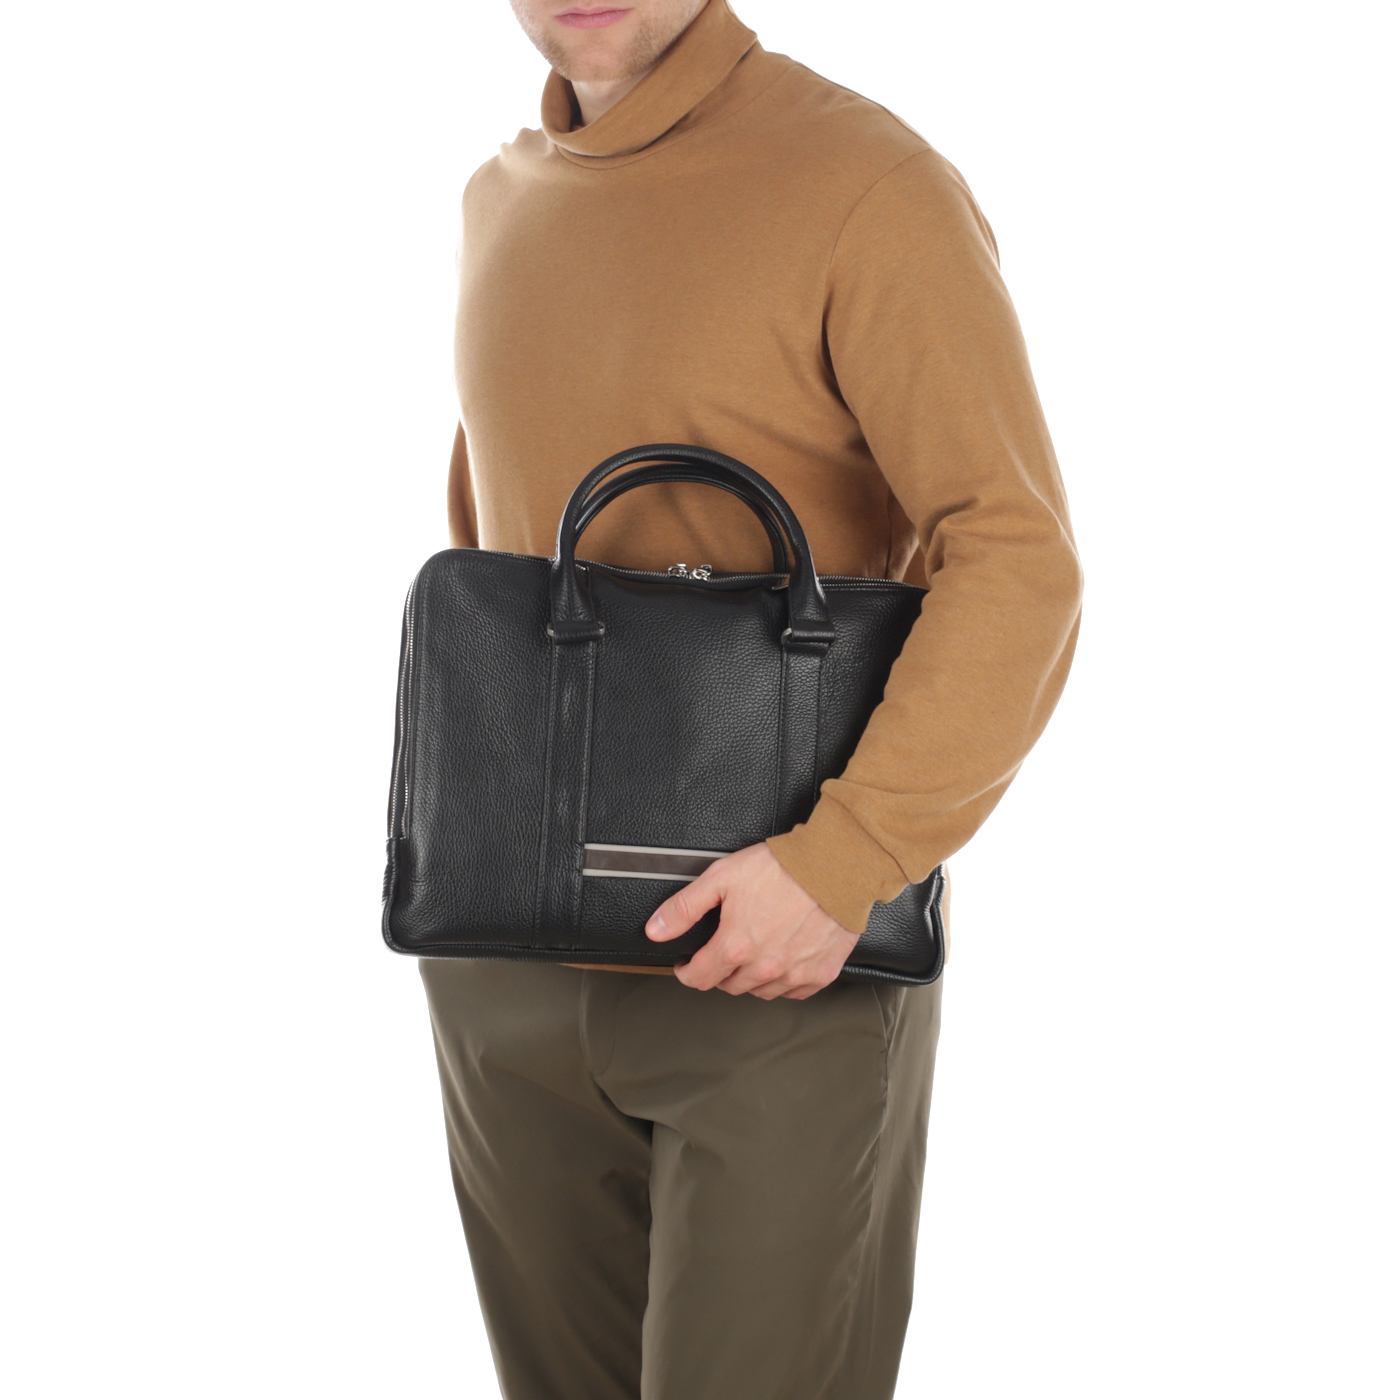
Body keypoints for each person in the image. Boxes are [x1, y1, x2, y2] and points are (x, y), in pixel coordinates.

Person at [417, 2, 1082, 1395]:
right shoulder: (499, 199)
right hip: (504, 967)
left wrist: (845, 864)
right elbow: (500, 560)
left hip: (777, 968)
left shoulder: (868, 185)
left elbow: (1018, 559)